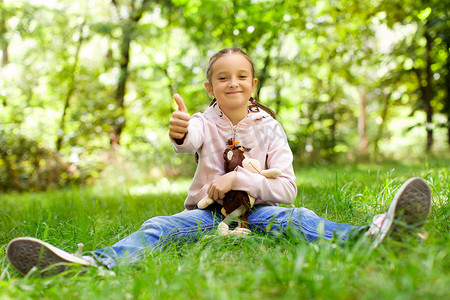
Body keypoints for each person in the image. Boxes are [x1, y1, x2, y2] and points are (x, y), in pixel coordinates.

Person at [6, 48, 432, 276]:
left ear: (253, 84)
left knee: (298, 218)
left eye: (241, 76)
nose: (233, 82)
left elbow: (286, 188)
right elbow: (187, 139)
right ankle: (92, 264)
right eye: (222, 77)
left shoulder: (270, 128)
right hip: (208, 216)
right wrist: (178, 130)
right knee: (158, 228)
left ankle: (372, 235)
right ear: (211, 85)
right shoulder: (202, 123)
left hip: (262, 213)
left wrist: (242, 180)